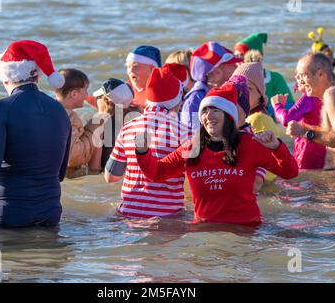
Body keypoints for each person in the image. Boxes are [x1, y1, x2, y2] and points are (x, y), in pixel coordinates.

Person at [134, 83, 298, 224]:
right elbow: (156, 172)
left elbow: (290, 172)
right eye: (204, 111)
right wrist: (142, 151)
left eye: (215, 110)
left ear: (229, 115)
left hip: (246, 233)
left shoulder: (250, 144)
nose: (208, 116)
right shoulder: (192, 148)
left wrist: (276, 147)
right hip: (204, 234)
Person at [0, 40, 72, 228]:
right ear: (37, 76)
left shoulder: (0, 108)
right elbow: (59, 174)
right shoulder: (59, 110)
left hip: (9, 214)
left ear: (5, 77)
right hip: (49, 213)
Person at [104, 65, 192, 218]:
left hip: (129, 214)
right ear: (176, 101)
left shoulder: (128, 128)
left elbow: (110, 177)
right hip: (168, 216)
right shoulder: (186, 133)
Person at [287, 52, 335, 172]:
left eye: (302, 75)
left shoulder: (333, 94)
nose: (300, 82)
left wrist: (304, 132)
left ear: (320, 74)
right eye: (297, 77)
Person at [180, 41, 241, 130]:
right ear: (217, 72)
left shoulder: (226, 93)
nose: (237, 66)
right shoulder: (194, 101)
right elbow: (192, 141)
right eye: (232, 64)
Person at [55, 68, 104, 178]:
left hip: (54, 164)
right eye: (85, 90)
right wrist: (98, 119)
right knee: (98, 124)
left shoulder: (50, 109)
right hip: (68, 166)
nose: (87, 94)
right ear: (74, 94)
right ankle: (94, 171)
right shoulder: (70, 117)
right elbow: (72, 157)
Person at [234, 33, 295, 118]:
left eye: (241, 55)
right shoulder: (234, 81)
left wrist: (266, 109)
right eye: (235, 56)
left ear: (255, 57)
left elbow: (290, 106)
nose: (237, 60)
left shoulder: (275, 78)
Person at [271, 85, 326, 170]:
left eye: (300, 75)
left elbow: (287, 119)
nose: (297, 78)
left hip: (307, 153)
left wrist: (277, 106)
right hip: (324, 151)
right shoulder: (327, 93)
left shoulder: (309, 97)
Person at [88, 78, 135, 172]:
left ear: (106, 102)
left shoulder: (100, 124)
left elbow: (94, 167)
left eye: (98, 97)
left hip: (107, 173)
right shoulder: (134, 122)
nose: (96, 100)